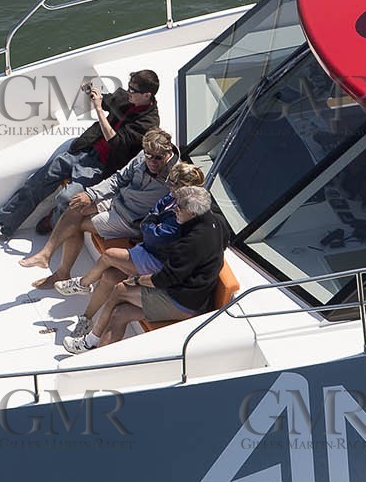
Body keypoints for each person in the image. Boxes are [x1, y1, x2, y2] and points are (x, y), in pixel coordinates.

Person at [0, 69, 161, 239]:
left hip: (102, 165)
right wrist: (93, 93)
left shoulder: (148, 124)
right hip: (84, 148)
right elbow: (108, 101)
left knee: (66, 198)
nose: (128, 93)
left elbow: (116, 142)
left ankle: (54, 220)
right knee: (38, 181)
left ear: (147, 96)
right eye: (128, 87)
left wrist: (99, 109)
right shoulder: (127, 98)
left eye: (133, 90)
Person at [63, 185, 230, 354]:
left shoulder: (191, 243)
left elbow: (163, 279)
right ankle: (97, 359)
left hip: (183, 301)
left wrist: (136, 280)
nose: (175, 210)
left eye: (179, 207)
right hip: (194, 295)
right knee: (120, 313)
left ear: (193, 213)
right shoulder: (218, 222)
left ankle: (91, 340)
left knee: (121, 289)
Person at [21, 129, 178, 287]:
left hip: (129, 219)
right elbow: (118, 179)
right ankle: (45, 255)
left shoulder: (176, 176)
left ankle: (61, 273)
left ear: (168, 152)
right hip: (118, 200)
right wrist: (91, 194)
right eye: (148, 155)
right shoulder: (142, 157)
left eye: (158, 158)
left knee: (75, 225)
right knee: (75, 207)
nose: (151, 161)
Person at [45, 161, 205, 294]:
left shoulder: (185, 212)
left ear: (183, 188)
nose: (167, 185)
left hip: (158, 258)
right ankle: (87, 318)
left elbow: (159, 235)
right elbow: (154, 212)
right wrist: (150, 223)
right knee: (109, 275)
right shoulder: (172, 197)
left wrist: (148, 224)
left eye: (172, 183)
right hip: (146, 243)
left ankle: (81, 284)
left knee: (108, 255)